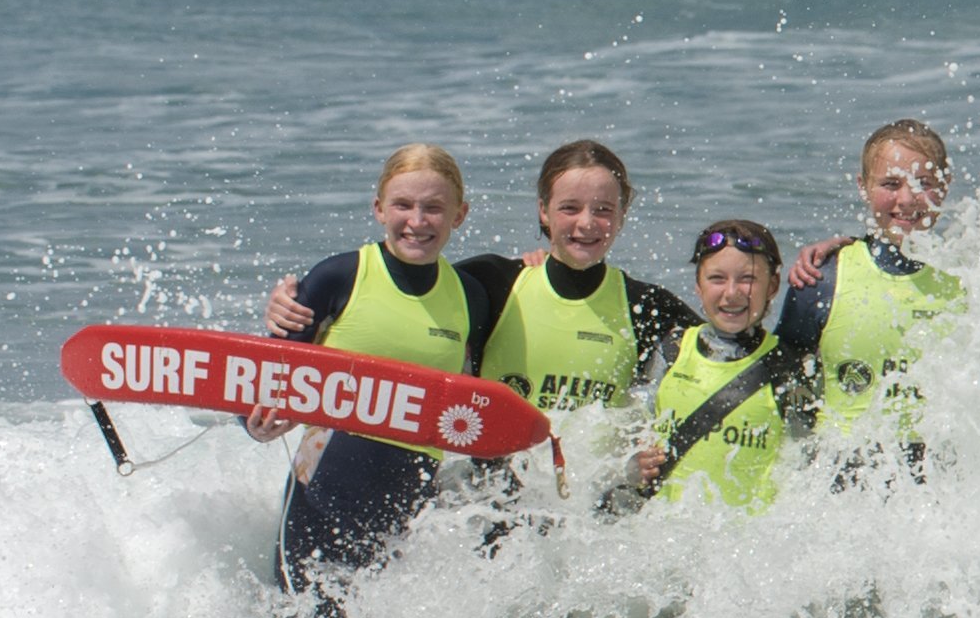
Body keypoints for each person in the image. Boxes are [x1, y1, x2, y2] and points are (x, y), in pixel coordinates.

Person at [266, 141, 707, 498]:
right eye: (570, 207)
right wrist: (293, 303)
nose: (586, 223)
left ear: (623, 214)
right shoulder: (492, 283)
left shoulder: (645, 306)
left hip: (592, 515)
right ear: (543, 210)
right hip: (488, 508)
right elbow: (398, 298)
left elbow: (723, 361)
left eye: (604, 210)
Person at [253, 144, 499, 618]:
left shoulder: (470, 295)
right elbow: (268, 377)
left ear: (460, 215)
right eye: (403, 205)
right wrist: (257, 425)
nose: (417, 220)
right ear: (379, 208)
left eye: (434, 207)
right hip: (323, 484)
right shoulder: (339, 276)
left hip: (412, 492)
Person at [776, 120, 966, 481]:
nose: (907, 199)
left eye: (923, 183)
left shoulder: (970, 279)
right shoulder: (821, 281)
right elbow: (782, 384)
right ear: (863, 187)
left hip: (941, 485)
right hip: (843, 477)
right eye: (890, 184)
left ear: (945, 186)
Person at [626, 220, 804, 513]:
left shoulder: (788, 369)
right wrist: (633, 466)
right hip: (663, 536)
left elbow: (807, 464)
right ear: (698, 285)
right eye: (717, 278)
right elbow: (633, 431)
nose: (731, 293)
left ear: (772, 285)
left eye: (747, 279)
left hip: (747, 545)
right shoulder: (670, 351)